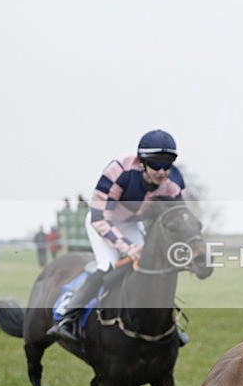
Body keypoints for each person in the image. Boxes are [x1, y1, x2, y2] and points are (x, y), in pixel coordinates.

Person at [47, 129, 186, 342]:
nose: (162, 171)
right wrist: (128, 248)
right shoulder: (119, 170)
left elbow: (176, 218)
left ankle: (167, 322)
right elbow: (99, 216)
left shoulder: (174, 183)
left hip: (131, 224)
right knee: (108, 266)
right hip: (102, 220)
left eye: (167, 166)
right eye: (156, 165)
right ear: (142, 162)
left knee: (150, 266)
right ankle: (68, 316)